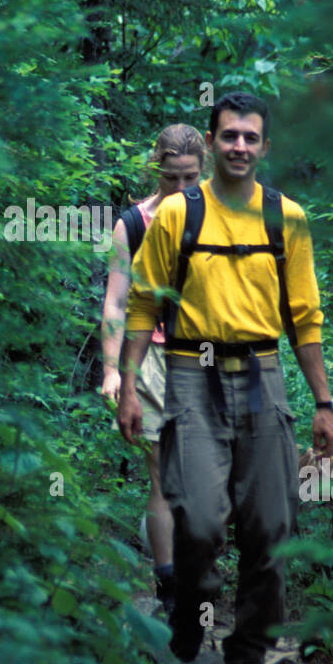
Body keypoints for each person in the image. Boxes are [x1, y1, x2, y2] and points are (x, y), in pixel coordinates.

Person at [118, 92, 333, 664]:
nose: (240, 146)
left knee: (271, 524)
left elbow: (305, 317)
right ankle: (191, 617)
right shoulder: (176, 215)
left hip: (263, 373)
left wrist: (323, 403)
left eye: (251, 137)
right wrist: (128, 385)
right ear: (212, 142)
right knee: (196, 517)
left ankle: (246, 662)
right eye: (230, 136)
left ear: (266, 147)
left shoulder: (287, 218)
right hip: (192, 370)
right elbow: (143, 304)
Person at [101, 125, 206, 617]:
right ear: (155, 170)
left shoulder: (222, 217)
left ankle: (200, 573)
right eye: (170, 178)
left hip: (210, 355)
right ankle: (170, 589)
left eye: (190, 177)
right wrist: (112, 371)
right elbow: (116, 302)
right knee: (163, 477)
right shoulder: (133, 224)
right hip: (153, 357)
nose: (180, 187)